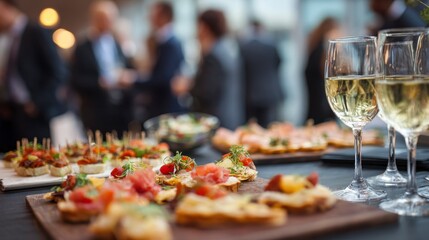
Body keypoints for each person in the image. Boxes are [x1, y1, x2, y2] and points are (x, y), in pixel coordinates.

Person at [0, 0, 67, 152]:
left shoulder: (35, 31)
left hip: (34, 113)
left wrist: (37, 102)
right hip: (12, 112)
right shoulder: (8, 38)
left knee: (39, 160)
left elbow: (59, 72)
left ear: (8, 8)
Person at [70, 0, 135, 134]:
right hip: (95, 112)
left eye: (111, 19)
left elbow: (128, 68)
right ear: (94, 19)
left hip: (120, 112)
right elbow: (75, 80)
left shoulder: (117, 44)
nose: (108, 22)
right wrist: (99, 83)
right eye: (104, 19)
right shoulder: (83, 47)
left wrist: (126, 76)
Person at [190, 9, 244, 129]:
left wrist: (189, 86)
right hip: (232, 114)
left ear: (205, 27)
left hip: (216, 119)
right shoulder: (227, 48)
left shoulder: (213, 55)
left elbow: (206, 92)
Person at [136, 1, 184, 118]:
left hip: (165, 106)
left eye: (154, 13)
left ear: (164, 16)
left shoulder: (170, 43)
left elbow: (163, 78)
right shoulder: (160, 40)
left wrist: (134, 79)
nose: (150, 17)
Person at [240, 20, 284, 128]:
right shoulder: (271, 45)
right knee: (270, 128)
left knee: (252, 128)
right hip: (270, 93)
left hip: (250, 95)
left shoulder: (245, 47)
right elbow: (278, 63)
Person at [304, 17, 340, 124]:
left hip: (314, 104)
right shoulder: (323, 49)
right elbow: (328, 70)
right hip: (322, 106)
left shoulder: (314, 47)